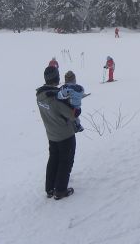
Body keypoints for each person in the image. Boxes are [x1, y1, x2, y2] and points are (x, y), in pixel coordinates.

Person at [36, 66, 78, 200]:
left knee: (53, 160)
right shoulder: (55, 97)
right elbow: (72, 114)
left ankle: (50, 188)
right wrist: (75, 105)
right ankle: (60, 190)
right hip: (65, 135)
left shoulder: (40, 95)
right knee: (65, 162)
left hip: (52, 134)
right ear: (57, 77)